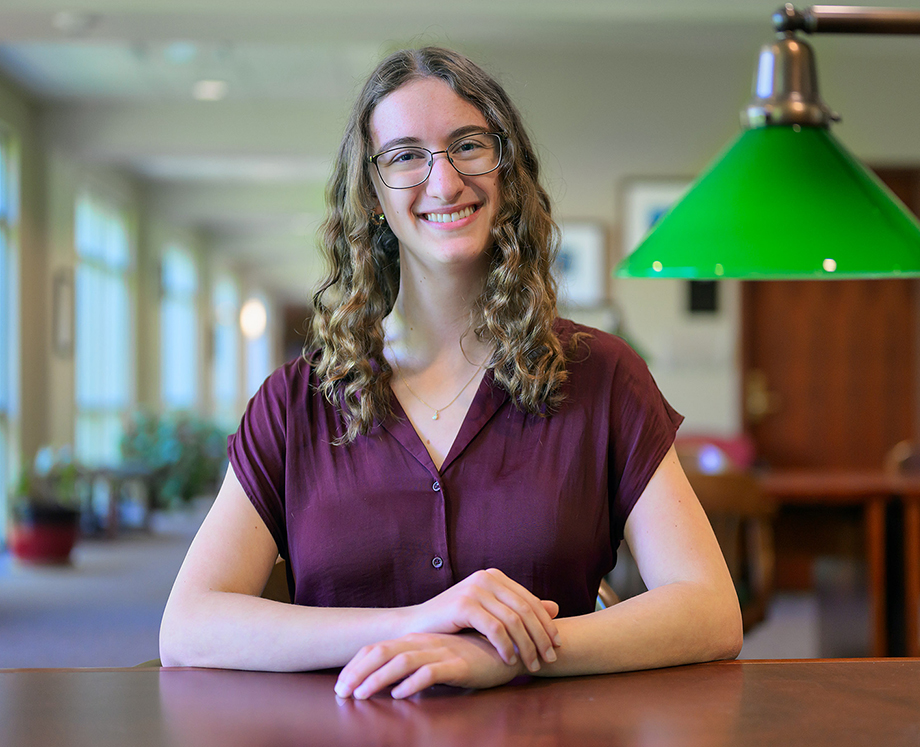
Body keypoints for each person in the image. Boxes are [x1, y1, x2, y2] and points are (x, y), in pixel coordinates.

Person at [159, 47, 741, 699]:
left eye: (468, 145)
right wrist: (421, 625)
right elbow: (188, 627)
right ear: (373, 195)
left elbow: (710, 609)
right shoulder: (296, 401)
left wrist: (516, 654)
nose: (443, 182)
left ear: (506, 170)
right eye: (406, 155)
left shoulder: (602, 376)